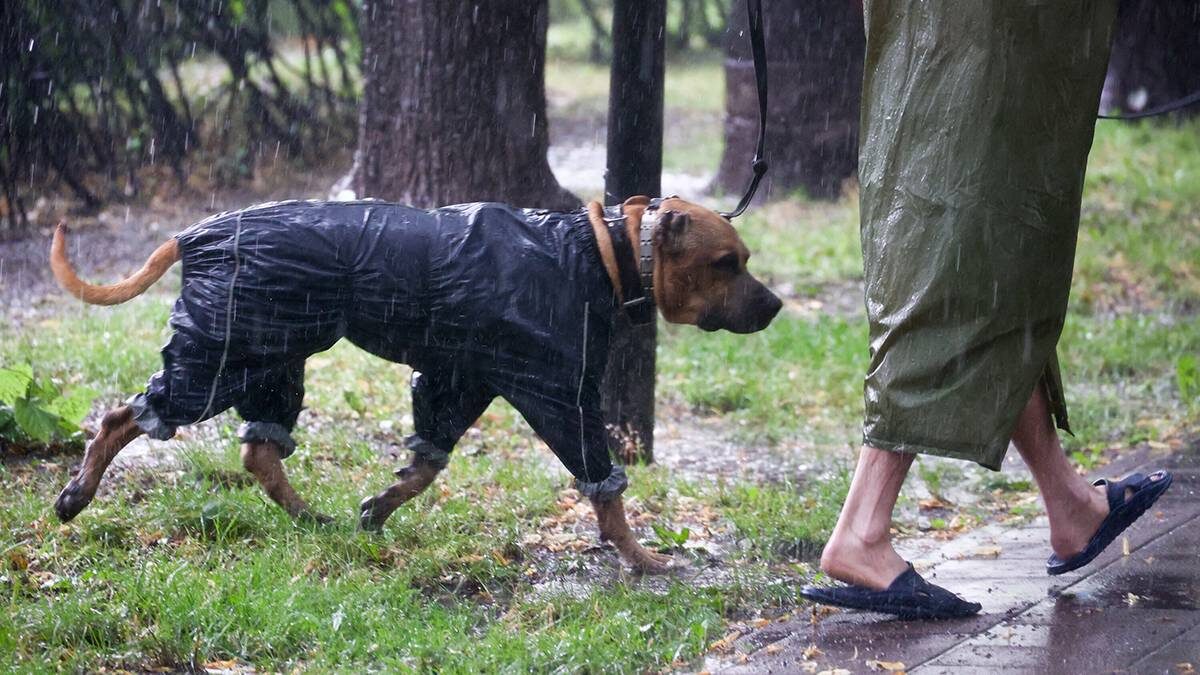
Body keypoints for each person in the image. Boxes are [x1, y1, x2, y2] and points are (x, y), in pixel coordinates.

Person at [801, 0, 1173, 619]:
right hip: (977, 25)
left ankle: (1070, 505)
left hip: (987, 29)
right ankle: (862, 530)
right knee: (961, 240)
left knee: (1000, 246)